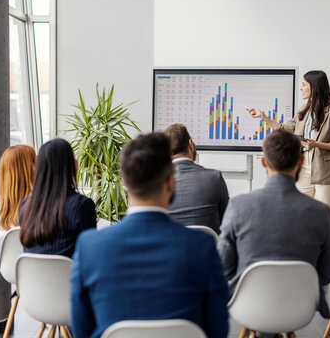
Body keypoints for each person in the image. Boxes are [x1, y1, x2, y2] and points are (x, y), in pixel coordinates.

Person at [71, 133, 229, 338]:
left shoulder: (89, 246)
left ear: (124, 183)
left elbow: (81, 330)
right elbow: (217, 330)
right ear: (171, 183)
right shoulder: (202, 246)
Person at [218, 129, 330, 322]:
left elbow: (224, 266)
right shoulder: (320, 212)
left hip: (249, 305)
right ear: (301, 161)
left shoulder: (238, 206)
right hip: (300, 307)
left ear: (264, 162)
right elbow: (327, 272)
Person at [248, 70, 330, 212]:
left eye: (304, 84)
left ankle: (323, 235)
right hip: (304, 162)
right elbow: (285, 129)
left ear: (314, 87)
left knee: (324, 211)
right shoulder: (303, 110)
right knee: (298, 208)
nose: (301, 88)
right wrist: (263, 117)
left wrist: (316, 144)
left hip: (324, 167)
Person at [19, 138, 96, 257]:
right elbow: (91, 253)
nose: (76, 161)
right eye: (73, 157)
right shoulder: (81, 206)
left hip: (32, 275)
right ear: (68, 165)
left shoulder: (26, 207)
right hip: (71, 275)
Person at [164, 124, 229, 233]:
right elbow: (227, 223)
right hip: (207, 249)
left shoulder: (156, 185)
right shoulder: (214, 178)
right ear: (190, 144)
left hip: (169, 249)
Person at [0, 144, 36, 266]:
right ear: (27, 169)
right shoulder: (40, 205)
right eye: (35, 161)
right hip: (41, 273)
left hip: (10, 273)